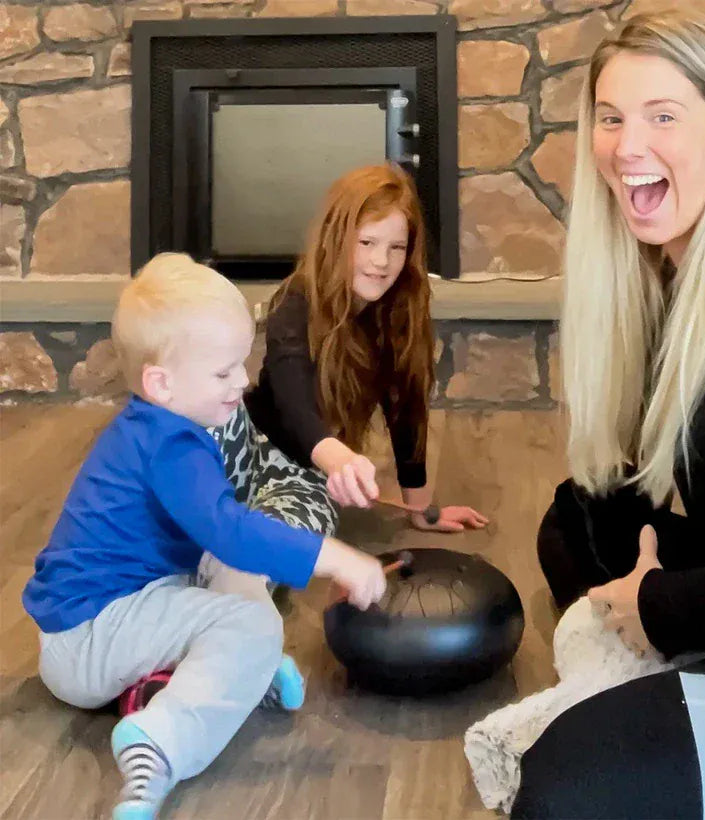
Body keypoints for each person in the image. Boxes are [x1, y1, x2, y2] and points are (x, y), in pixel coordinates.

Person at [515, 12, 705, 818]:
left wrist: (660, 608)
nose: (627, 147)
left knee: (559, 789)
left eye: (662, 116)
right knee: (577, 518)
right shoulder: (686, 271)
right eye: (611, 118)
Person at [21, 253, 387, 820]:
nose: (242, 382)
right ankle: (160, 743)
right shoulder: (171, 447)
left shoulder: (160, 426)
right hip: (89, 639)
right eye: (223, 373)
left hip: (112, 613)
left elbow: (222, 539)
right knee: (247, 617)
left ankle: (240, 669)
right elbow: (231, 529)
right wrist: (336, 558)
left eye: (242, 364)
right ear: (161, 383)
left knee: (234, 571)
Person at [241, 163, 488, 536]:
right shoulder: (295, 299)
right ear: (336, 239)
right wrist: (338, 458)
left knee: (299, 532)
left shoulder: (400, 310)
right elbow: (292, 396)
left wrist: (421, 510)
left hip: (304, 475)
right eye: (367, 243)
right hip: (249, 445)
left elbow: (406, 409)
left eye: (396, 248)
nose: (381, 261)